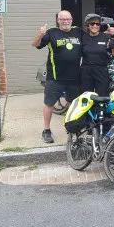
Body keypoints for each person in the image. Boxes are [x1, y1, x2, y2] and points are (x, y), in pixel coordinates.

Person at [32, 10, 82, 144]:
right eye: (62, 19)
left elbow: (92, 40)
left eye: (68, 19)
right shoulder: (51, 33)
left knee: (73, 104)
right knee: (49, 104)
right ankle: (46, 130)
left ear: (72, 20)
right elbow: (35, 44)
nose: (66, 21)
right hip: (55, 77)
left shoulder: (78, 32)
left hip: (74, 77)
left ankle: (73, 128)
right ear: (58, 20)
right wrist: (41, 34)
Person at [80, 13, 114, 97]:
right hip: (86, 70)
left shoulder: (106, 37)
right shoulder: (83, 37)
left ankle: (101, 111)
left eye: (97, 24)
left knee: (102, 96)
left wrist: (113, 47)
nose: (95, 26)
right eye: (92, 24)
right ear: (88, 25)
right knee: (86, 96)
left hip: (101, 69)